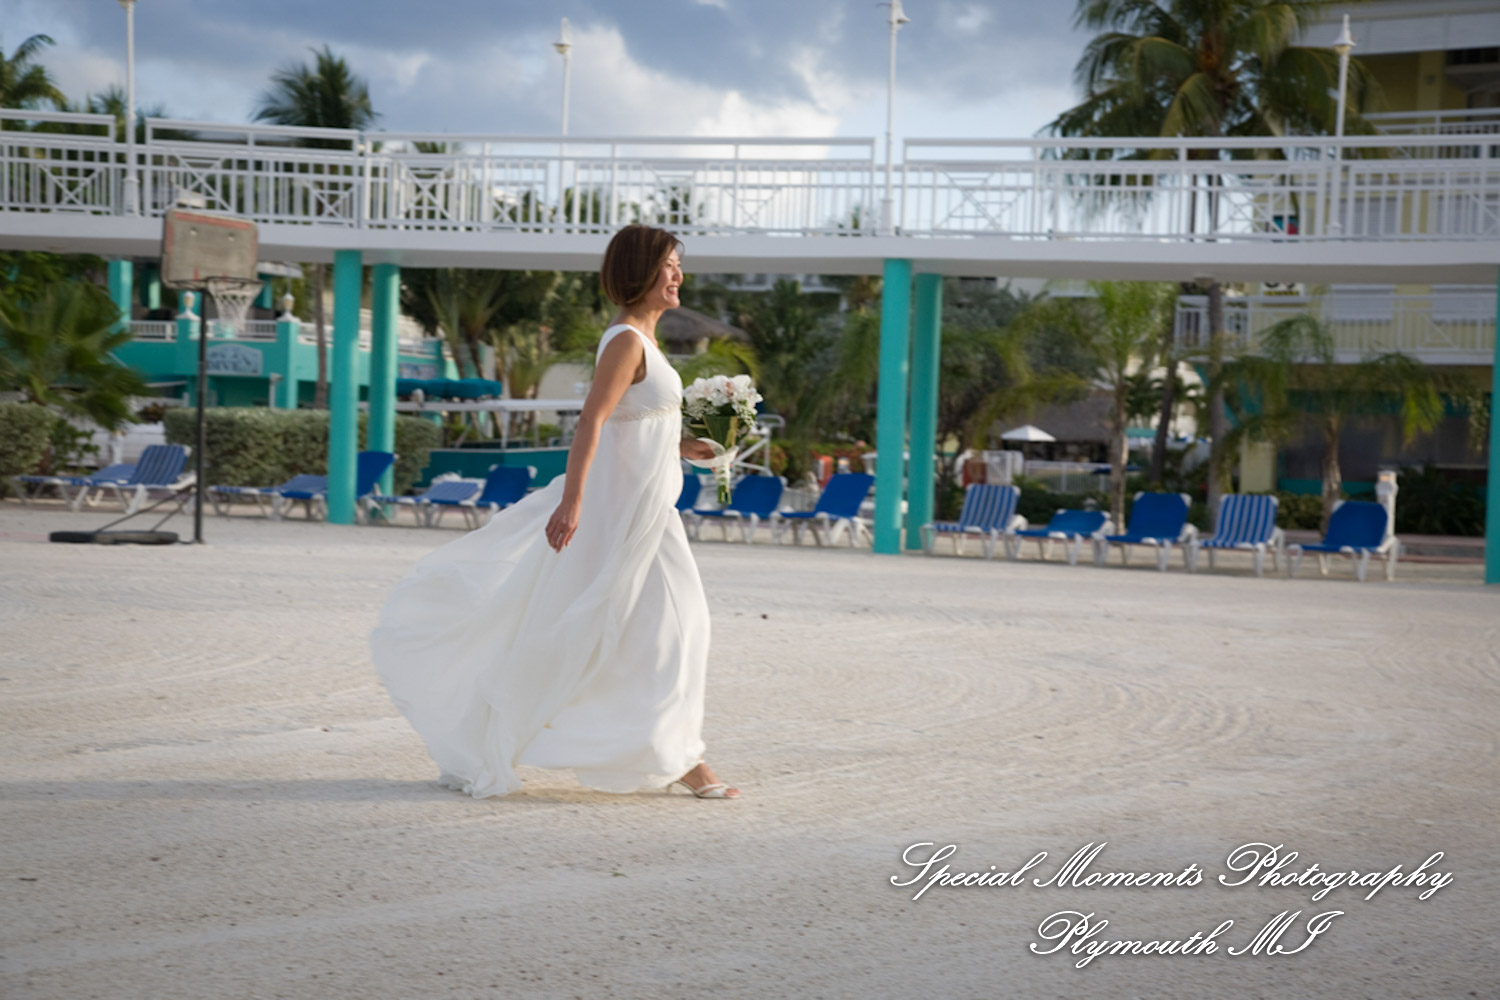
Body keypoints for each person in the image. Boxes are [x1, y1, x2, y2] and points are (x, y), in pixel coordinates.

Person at [369, 224, 740, 800]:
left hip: (647, 515)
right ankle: (680, 759)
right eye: (667, 263)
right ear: (640, 270)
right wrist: (572, 502)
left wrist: (683, 446)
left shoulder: (646, 340)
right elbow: (590, 422)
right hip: (618, 518)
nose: (677, 274)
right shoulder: (624, 340)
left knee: (668, 630)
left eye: (677, 263)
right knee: (659, 628)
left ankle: (671, 751)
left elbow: (631, 426)